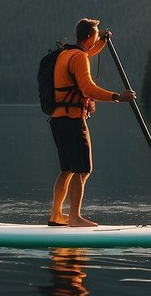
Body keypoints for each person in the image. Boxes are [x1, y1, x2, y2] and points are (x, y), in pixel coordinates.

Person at [47, 18, 136, 227]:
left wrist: (103, 41)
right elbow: (88, 88)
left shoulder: (67, 53)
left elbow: (89, 52)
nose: (97, 37)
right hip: (72, 121)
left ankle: (56, 215)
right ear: (88, 37)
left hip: (59, 119)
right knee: (83, 169)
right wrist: (117, 97)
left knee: (68, 169)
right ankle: (75, 218)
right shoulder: (78, 57)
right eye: (96, 34)